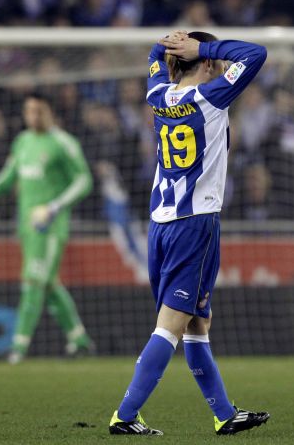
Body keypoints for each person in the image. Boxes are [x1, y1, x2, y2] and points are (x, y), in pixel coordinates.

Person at [108, 31, 270, 436]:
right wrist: (204, 47)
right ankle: (124, 416)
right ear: (210, 65)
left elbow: (152, 59)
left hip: (160, 224)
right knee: (171, 325)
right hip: (194, 224)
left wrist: (163, 46)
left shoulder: (157, 95)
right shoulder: (213, 97)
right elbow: (255, 54)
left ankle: (224, 414)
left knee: (198, 322)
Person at [0, 93, 94, 364]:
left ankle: (18, 347)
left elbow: (84, 181)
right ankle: (78, 339)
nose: (33, 116)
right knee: (48, 283)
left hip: (51, 228)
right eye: (28, 111)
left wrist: (54, 207)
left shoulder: (63, 143)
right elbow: (9, 177)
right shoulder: (22, 142)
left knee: (33, 281)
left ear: (50, 113)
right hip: (27, 228)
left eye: (39, 111)